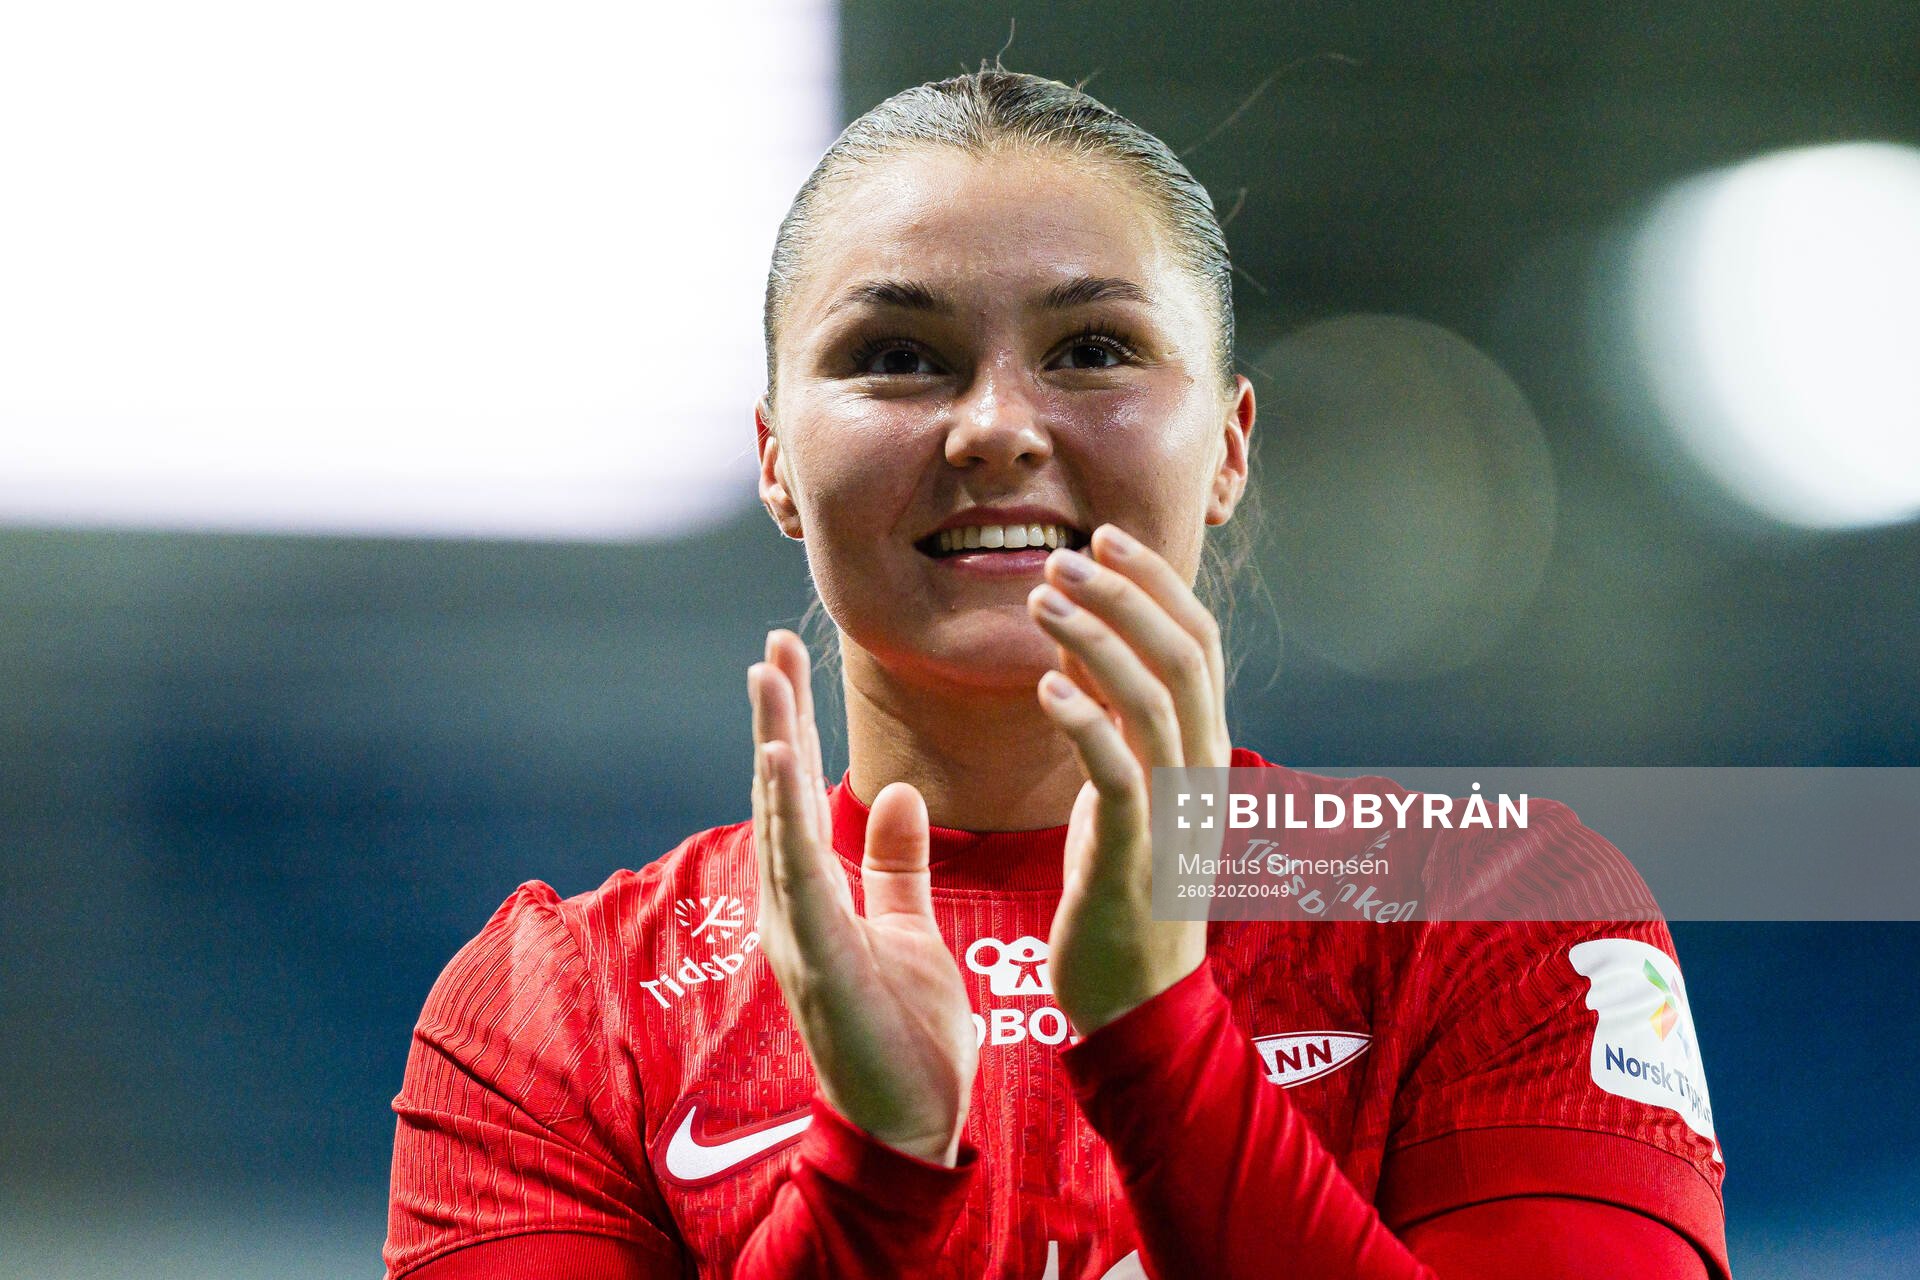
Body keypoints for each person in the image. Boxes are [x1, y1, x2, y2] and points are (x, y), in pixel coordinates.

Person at [383, 66, 1729, 1279]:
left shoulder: (1493, 916)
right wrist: (874, 1173)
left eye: (1092, 350)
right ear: (776, 457)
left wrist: (1157, 1039)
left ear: (1231, 446)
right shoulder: (555, 1015)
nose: (995, 429)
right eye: (896, 358)